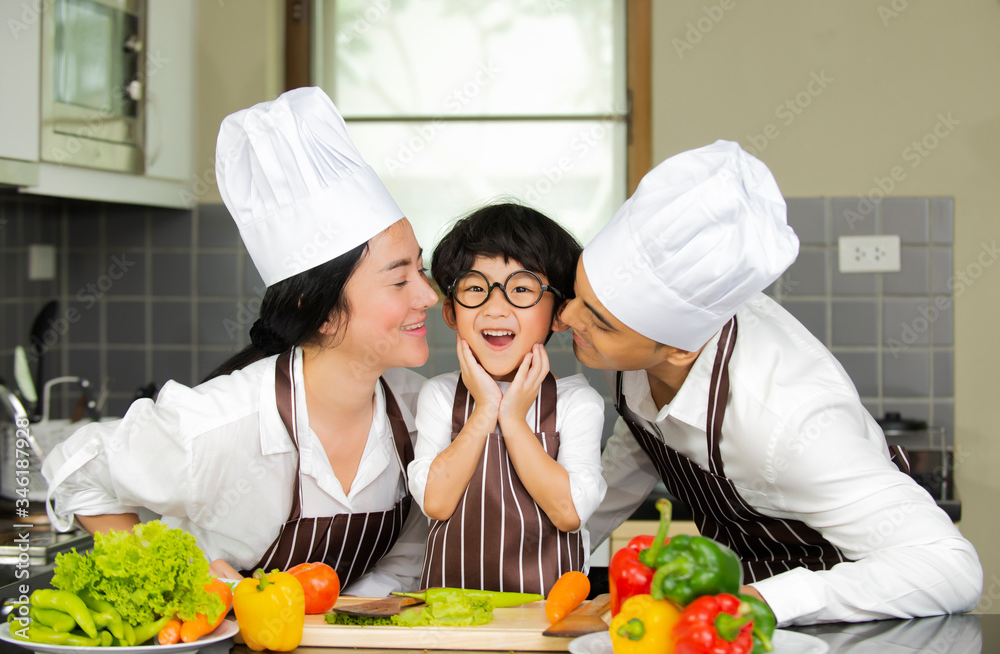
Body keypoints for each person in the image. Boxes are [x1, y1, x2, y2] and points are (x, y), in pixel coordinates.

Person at [561, 140, 983, 625]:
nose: (567, 317)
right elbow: (638, 446)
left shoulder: (788, 422)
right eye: (577, 294)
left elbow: (951, 566)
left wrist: (762, 602)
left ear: (679, 348)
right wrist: (543, 560)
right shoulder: (653, 348)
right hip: (736, 623)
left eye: (600, 321)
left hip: (850, 631)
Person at [42, 87, 439, 596]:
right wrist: (181, 573)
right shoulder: (225, 424)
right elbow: (75, 468)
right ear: (315, 308)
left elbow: (406, 556)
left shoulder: (415, 410)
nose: (427, 295)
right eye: (399, 279)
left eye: (421, 270)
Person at [407, 203, 606, 594]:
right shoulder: (440, 396)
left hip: (546, 622)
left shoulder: (576, 402)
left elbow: (568, 512)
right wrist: (484, 411)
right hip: (450, 621)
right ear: (450, 311)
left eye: (521, 289)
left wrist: (513, 420)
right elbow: (437, 502)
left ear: (558, 315)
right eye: (476, 289)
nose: (495, 308)